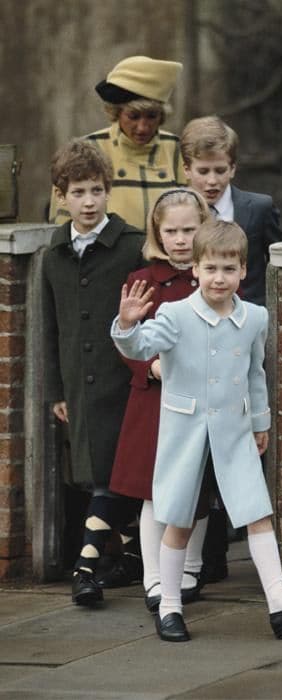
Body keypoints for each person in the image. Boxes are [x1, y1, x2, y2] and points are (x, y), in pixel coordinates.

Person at [111, 219, 282, 642]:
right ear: (194, 269)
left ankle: (281, 604)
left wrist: (260, 422)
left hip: (234, 431)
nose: (219, 278)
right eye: (210, 268)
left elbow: (254, 374)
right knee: (178, 518)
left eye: (229, 269)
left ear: (244, 271)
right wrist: (126, 325)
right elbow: (139, 347)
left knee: (256, 513)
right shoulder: (174, 315)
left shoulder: (255, 318)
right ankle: (170, 607)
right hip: (184, 431)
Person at [180, 115, 282, 583]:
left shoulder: (258, 208)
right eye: (202, 170)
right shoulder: (179, 210)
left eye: (219, 170)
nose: (210, 180)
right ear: (186, 169)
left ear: (233, 169)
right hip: (195, 343)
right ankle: (204, 561)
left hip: (243, 340)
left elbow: (277, 267)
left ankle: (234, 540)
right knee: (198, 448)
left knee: (239, 444)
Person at [42, 138, 144, 606]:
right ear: (60, 196)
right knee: (93, 475)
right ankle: (129, 558)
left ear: (108, 192)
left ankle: (85, 570)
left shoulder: (131, 245)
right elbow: (51, 326)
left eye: (96, 191)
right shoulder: (54, 253)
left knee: (111, 476)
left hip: (123, 383)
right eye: (78, 192)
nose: (88, 201)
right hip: (78, 387)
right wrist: (55, 390)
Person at [109, 188, 212, 612]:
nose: (181, 239)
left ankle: (189, 566)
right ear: (157, 233)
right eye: (172, 231)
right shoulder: (143, 281)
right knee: (155, 491)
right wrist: (149, 367)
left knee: (198, 487)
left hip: (203, 398)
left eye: (190, 229)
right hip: (154, 400)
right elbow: (124, 337)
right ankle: (154, 576)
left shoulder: (211, 276)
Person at [49, 56, 185, 230]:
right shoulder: (88, 149)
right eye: (133, 117)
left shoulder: (175, 148)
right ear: (116, 113)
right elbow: (62, 222)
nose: (143, 128)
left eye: (152, 116)